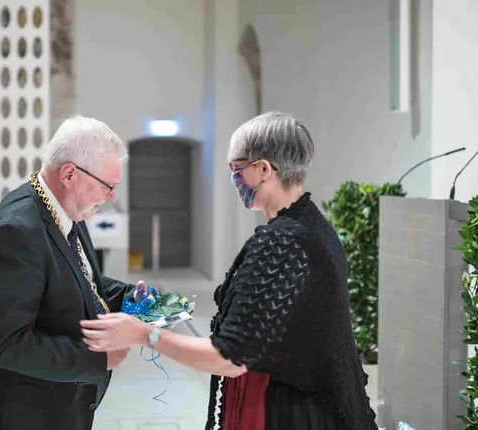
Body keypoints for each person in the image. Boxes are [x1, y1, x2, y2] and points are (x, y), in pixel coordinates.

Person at [80, 112, 378, 430]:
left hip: (290, 411)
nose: (233, 181)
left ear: (264, 169)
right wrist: (165, 309)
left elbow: (229, 357)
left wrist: (143, 335)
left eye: (237, 169)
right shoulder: (311, 227)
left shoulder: (283, 242)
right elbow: (262, 320)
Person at [0, 115, 147, 430]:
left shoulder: (66, 210)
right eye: (107, 185)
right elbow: (6, 344)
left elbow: (76, 280)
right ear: (69, 173)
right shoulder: (14, 234)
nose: (111, 196)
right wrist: (96, 359)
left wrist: (131, 297)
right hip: (17, 413)